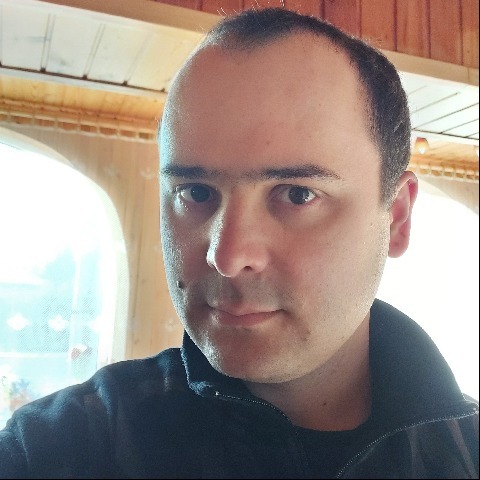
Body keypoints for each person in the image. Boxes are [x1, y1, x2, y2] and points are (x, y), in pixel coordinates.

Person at [0, 7, 478, 479]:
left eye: (297, 194)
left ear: (396, 218)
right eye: (195, 192)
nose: (227, 256)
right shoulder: (59, 447)